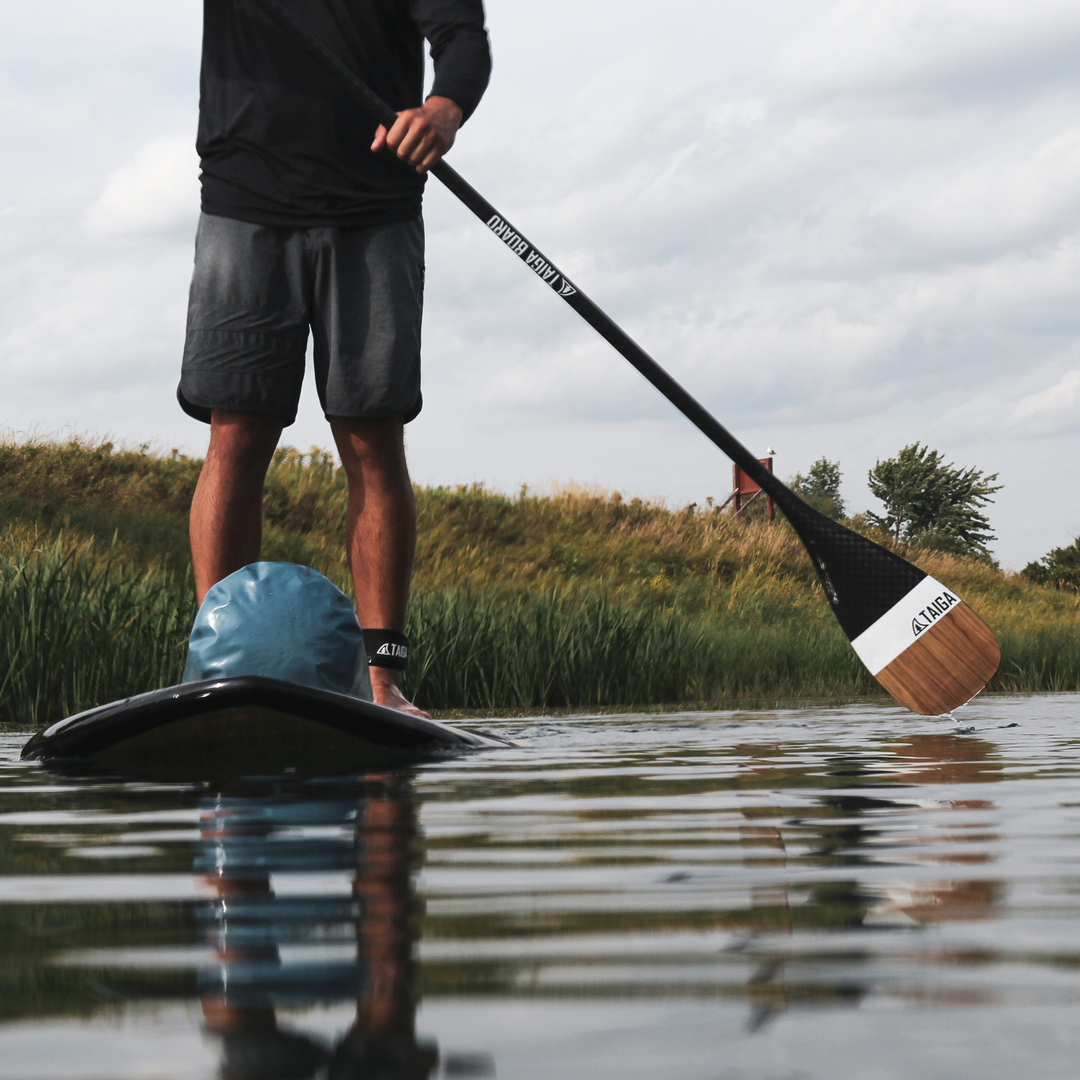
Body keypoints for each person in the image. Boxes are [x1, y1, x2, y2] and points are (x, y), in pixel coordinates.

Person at [178, 0, 491, 717]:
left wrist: (443, 110)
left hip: (375, 206)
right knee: (236, 434)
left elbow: (461, 37)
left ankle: (383, 680)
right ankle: (216, 665)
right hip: (244, 199)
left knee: (372, 439)